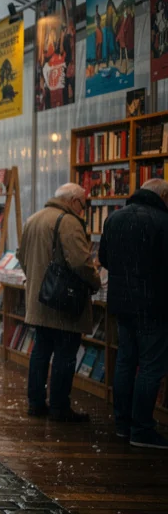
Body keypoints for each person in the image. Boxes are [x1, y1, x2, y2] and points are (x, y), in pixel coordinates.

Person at [17, 183, 101, 422]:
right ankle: (59, 407)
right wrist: (96, 282)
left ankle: (35, 403)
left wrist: (36, 280)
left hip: (39, 299)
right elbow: (80, 263)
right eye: (83, 204)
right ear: (73, 201)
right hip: (63, 303)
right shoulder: (69, 222)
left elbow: (22, 256)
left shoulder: (34, 219)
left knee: (41, 352)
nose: (83, 209)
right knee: (65, 354)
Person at [100, 179, 168, 449]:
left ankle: (122, 423)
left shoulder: (114, 218)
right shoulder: (162, 222)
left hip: (121, 303)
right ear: (163, 195)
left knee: (126, 362)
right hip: (153, 305)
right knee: (151, 366)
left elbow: (104, 259)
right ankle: (141, 428)